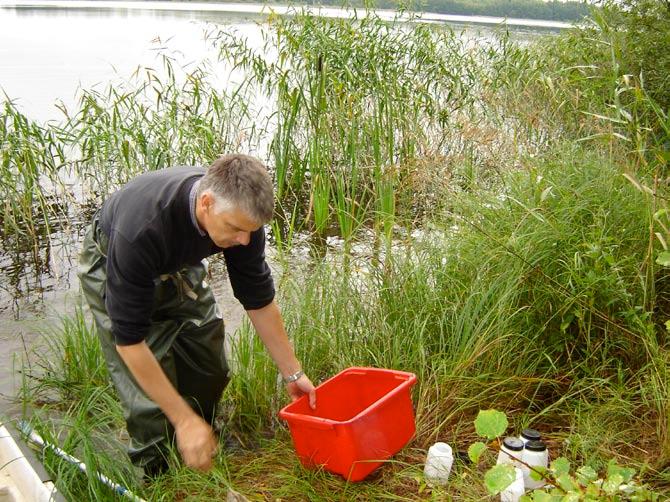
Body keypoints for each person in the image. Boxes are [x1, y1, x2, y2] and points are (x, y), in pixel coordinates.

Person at [77, 154, 316, 477]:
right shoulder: (140, 231)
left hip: (178, 260)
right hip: (113, 257)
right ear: (206, 203)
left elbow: (258, 299)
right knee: (148, 402)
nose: (243, 241)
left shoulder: (242, 220)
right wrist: (182, 419)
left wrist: (292, 373)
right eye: (235, 229)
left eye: (250, 231)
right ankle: (159, 474)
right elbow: (130, 341)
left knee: (209, 364)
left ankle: (203, 441)